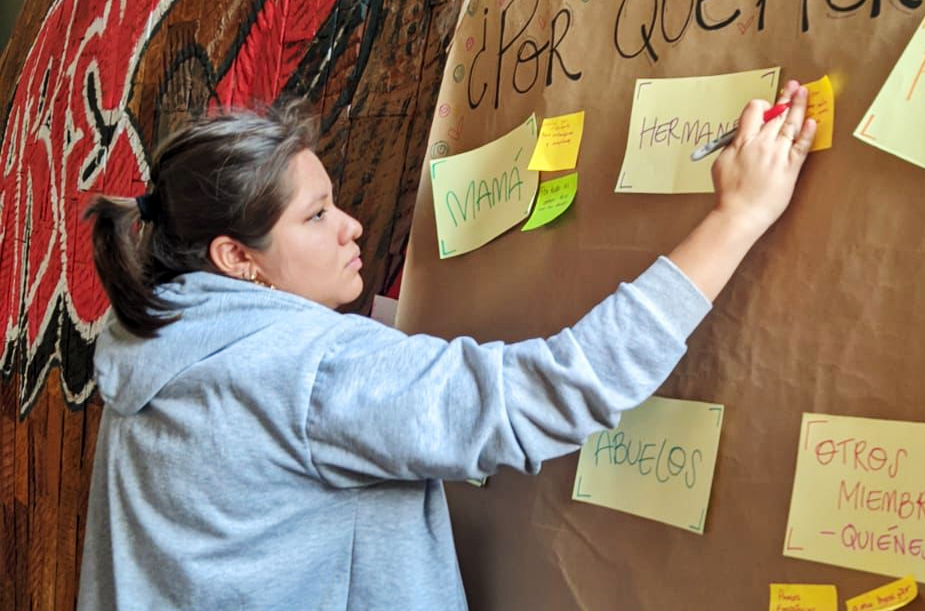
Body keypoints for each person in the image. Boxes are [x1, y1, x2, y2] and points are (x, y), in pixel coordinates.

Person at [77, 82, 819, 610]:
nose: (352, 227)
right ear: (238, 256)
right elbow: (559, 388)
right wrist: (738, 216)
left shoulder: (155, 340)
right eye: (317, 215)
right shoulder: (313, 369)